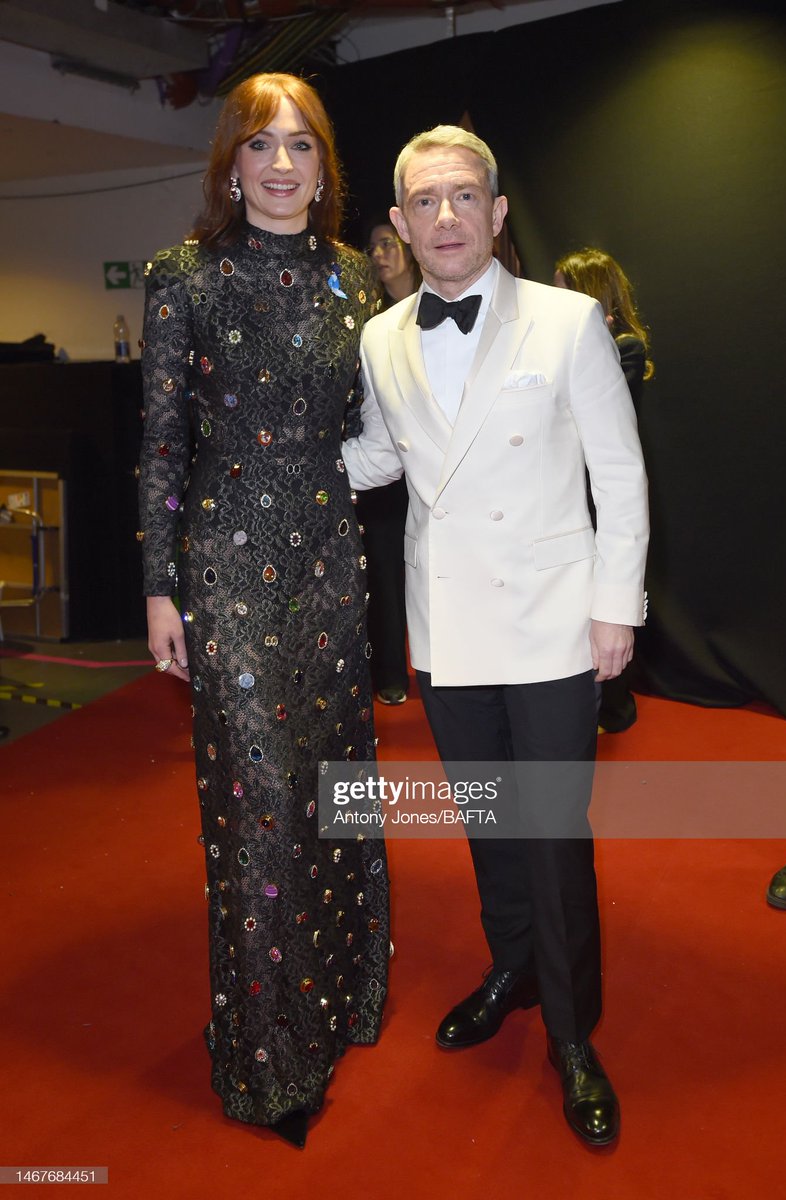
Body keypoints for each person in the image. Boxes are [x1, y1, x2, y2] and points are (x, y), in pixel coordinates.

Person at [342, 126, 648, 1147]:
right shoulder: (382, 336)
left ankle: (571, 1033)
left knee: (551, 834)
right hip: (450, 627)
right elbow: (384, 458)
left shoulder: (566, 322)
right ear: (396, 222)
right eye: (423, 202)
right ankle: (511, 968)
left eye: (462, 197)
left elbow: (620, 472)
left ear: (497, 211)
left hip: (554, 624)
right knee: (486, 821)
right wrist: (279, 467)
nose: (443, 218)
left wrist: (616, 606)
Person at [137, 72, 390, 1147]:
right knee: (258, 804)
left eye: (301, 146)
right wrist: (158, 584)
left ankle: (333, 1002)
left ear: (324, 166)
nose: (282, 165)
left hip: (330, 561)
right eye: (260, 146)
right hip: (228, 571)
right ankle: (267, 1055)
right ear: (229, 166)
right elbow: (161, 447)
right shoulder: (182, 277)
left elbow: (385, 429)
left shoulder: (352, 282)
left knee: (332, 786)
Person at [554, 246, 654, 734]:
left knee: (611, 601)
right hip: (571, 492)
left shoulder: (626, 344)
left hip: (604, 494)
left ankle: (616, 705)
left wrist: (595, 336)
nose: (554, 296)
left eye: (563, 287)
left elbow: (616, 411)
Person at [352, 220, 421, 706]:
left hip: (439, 464)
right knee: (383, 569)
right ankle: (391, 673)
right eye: (372, 246)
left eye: (387, 243)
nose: (378, 253)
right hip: (382, 463)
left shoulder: (440, 300)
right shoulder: (366, 317)